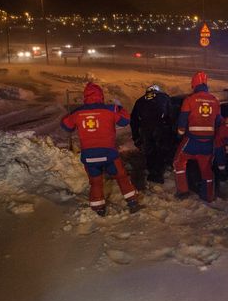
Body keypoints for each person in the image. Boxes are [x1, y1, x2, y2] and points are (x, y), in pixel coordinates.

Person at [61, 82, 139, 216]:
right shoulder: (110, 109)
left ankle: (98, 210)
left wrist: (76, 115)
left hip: (89, 156)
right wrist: (119, 108)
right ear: (101, 96)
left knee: (96, 183)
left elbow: (66, 126)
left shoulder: (78, 112)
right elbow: (125, 121)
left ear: (85, 96)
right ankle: (132, 203)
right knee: (121, 177)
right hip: (109, 154)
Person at [174, 71, 221, 201]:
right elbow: (218, 121)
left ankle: (183, 192)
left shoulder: (189, 100)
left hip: (192, 140)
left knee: (179, 162)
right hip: (208, 142)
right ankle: (208, 196)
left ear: (194, 84)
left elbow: (182, 120)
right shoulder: (214, 100)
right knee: (206, 170)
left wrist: (180, 134)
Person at [130, 84, 174, 184]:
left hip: (146, 129)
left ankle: (152, 173)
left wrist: (136, 137)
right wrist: (171, 130)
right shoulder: (164, 97)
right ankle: (158, 174)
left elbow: (134, 121)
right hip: (160, 127)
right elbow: (171, 115)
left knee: (150, 151)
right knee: (160, 150)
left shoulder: (140, 100)